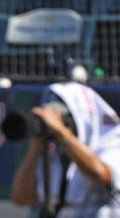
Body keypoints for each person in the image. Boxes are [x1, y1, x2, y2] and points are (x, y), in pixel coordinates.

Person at [10, 82, 120, 217]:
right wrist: (35, 148)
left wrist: (62, 133)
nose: (54, 125)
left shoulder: (112, 139)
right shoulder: (53, 152)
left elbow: (100, 174)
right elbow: (21, 197)